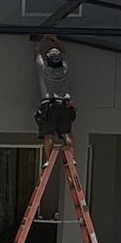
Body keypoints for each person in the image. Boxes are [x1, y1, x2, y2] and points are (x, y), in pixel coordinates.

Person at [34, 34, 75, 164]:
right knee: (66, 133)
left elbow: (37, 50)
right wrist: (55, 39)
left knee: (49, 134)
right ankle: (71, 158)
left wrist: (44, 37)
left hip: (49, 104)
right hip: (65, 104)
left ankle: (49, 160)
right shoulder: (64, 68)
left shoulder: (44, 67)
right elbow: (63, 51)